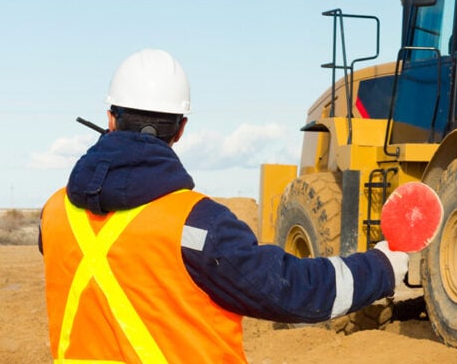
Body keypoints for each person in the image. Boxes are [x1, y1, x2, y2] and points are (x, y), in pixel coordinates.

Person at [38, 49, 409, 363]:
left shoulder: (54, 212)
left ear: (110, 118)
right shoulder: (199, 225)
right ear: (181, 129)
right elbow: (295, 291)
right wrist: (382, 266)